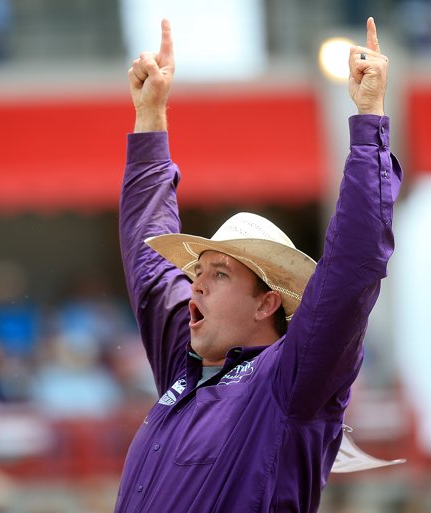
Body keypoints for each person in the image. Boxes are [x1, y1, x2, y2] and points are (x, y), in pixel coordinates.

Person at [116, 16, 402, 513]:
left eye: (219, 274)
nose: (195, 287)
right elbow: (150, 263)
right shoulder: (184, 368)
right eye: (198, 272)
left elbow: (350, 272)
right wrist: (150, 121)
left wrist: (369, 121)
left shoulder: (291, 382)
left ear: (267, 302)